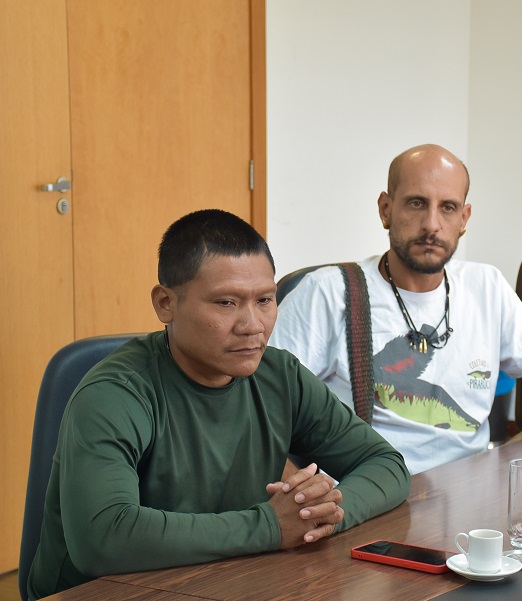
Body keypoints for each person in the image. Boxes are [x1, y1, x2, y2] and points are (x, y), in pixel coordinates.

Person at [28, 210, 410, 600]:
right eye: (226, 302)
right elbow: (102, 538)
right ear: (165, 303)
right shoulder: (115, 393)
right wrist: (270, 527)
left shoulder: (281, 376)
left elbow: (385, 464)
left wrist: (320, 516)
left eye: (264, 300)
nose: (252, 325)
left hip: (221, 579)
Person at [269, 144, 522, 474]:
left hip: (472, 490)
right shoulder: (327, 293)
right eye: (416, 203)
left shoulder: (486, 286)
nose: (432, 225)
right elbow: (255, 410)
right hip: (371, 496)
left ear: (464, 218)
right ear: (385, 209)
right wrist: (297, 491)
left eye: (448, 207)